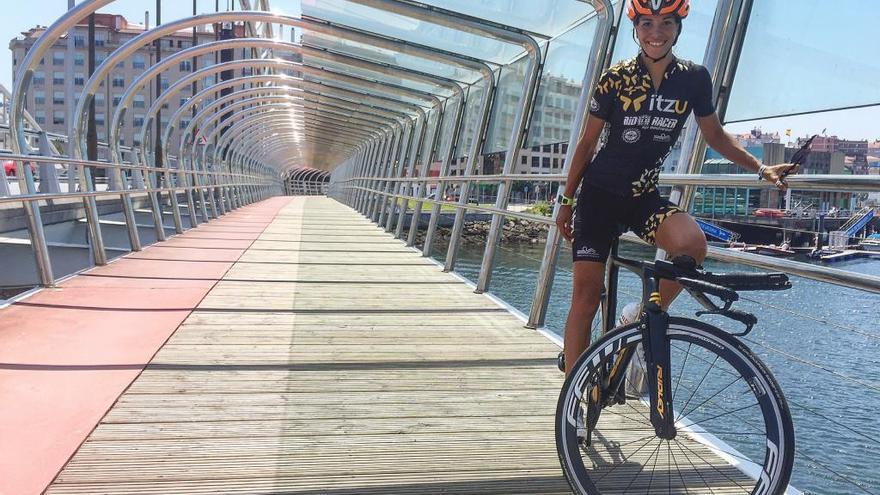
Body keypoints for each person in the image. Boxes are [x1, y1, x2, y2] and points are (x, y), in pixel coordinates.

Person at [555, 0, 797, 375]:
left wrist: (762, 168)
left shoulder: (693, 78)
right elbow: (587, 143)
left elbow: (714, 136)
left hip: (642, 197)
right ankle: (572, 395)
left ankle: (639, 317)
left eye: (665, 23)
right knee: (586, 297)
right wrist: (567, 201)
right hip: (598, 197)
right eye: (647, 23)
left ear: (678, 28)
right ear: (635, 28)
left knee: (692, 244)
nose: (656, 33)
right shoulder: (615, 77)